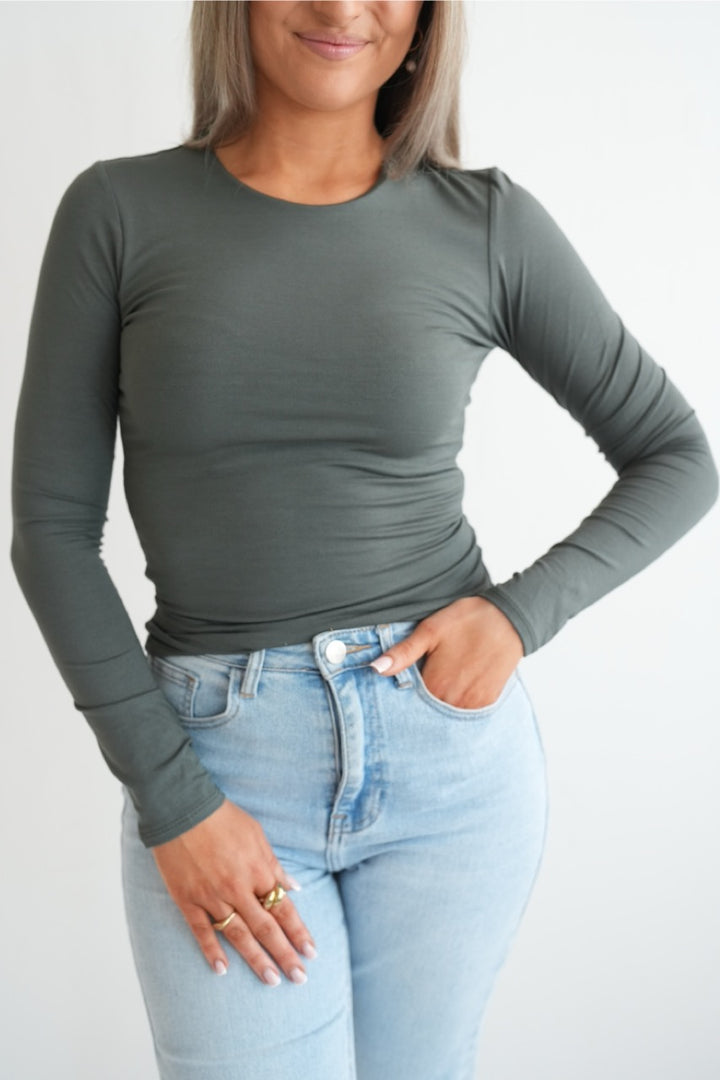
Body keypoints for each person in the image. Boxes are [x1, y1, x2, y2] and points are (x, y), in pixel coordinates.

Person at [10, 1, 718, 1077]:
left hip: (449, 759)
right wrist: (174, 800)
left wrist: (518, 617)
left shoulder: (485, 222)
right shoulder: (118, 211)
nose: (344, 9)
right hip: (219, 759)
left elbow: (676, 455)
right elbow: (52, 532)